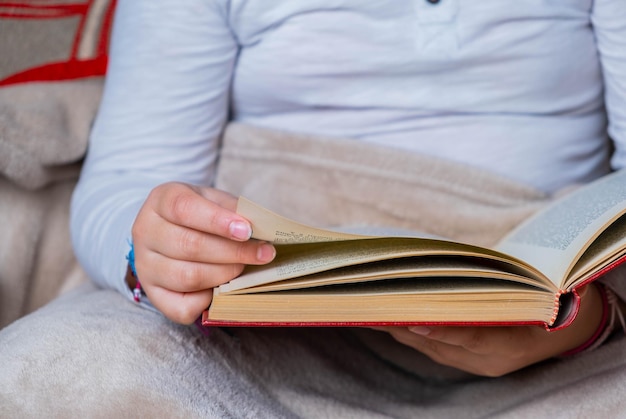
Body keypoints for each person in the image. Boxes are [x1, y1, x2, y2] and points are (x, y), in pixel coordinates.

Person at [2, 0, 626, 417]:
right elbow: (126, 182)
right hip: (265, 324)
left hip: (547, 318)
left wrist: (588, 320)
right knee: (62, 365)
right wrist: (153, 253)